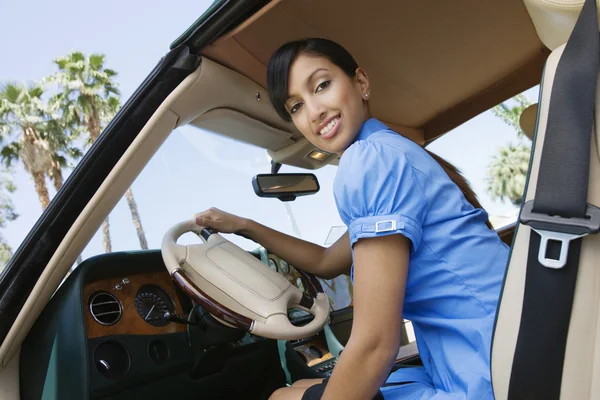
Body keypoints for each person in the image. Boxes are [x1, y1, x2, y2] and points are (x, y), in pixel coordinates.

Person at [195, 38, 509, 400]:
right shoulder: (392, 152)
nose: (314, 111)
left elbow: (376, 343)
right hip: (510, 350)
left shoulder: (368, 160)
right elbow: (327, 261)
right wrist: (244, 225)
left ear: (361, 83)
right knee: (299, 388)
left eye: (322, 85)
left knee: (281, 397)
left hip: (493, 375)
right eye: (297, 105)